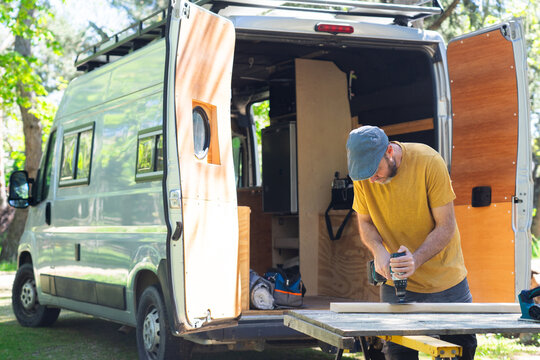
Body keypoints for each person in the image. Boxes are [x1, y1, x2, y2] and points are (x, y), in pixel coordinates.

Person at [346, 125, 476, 360]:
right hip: (397, 285)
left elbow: (445, 226)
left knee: (462, 351)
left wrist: (415, 259)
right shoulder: (365, 176)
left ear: (389, 151)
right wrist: (379, 251)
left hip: (446, 281)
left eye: (376, 171)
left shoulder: (428, 162)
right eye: (366, 175)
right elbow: (365, 223)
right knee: (397, 354)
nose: (372, 180)